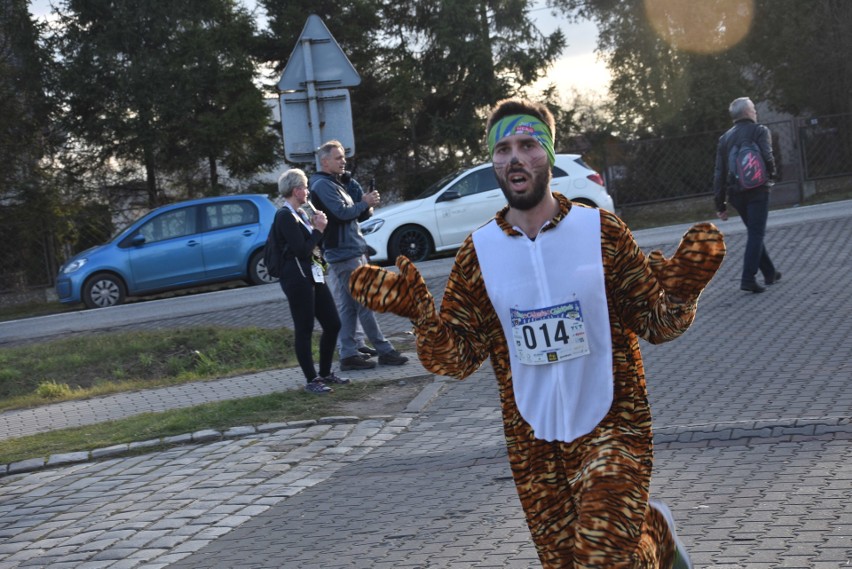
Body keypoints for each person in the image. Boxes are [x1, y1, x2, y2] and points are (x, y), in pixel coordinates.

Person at [349, 98, 726, 568]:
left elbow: (655, 323)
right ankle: (655, 537)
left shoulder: (601, 231)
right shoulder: (478, 253)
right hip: (534, 443)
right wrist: (421, 316)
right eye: (503, 148)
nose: (514, 157)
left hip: (614, 423)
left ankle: (645, 534)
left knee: (601, 558)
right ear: (493, 162)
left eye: (527, 144)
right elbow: (458, 359)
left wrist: (682, 291)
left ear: (547, 153)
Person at [308, 140, 408, 371]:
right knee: (365, 302)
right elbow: (341, 214)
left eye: (343, 157)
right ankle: (384, 351)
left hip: (350, 251)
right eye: (338, 157)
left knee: (348, 306)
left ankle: (348, 354)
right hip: (343, 253)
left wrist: (366, 204)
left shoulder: (335, 183)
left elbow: (355, 216)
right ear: (325, 161)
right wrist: (363, 202)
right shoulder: (322, 185)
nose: (343, 161)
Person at [270, 168, 348, 394]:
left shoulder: (301, 214)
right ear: (296, 190)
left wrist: (318, 228)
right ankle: (311, 380)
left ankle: (325, 373)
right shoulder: (284, 216)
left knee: (333, 323)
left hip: (313, 275)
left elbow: (314, 247)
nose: (307, 191)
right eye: (304, 187)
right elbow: (301, 250)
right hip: (297, 278)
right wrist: (318, 230)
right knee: (304, 328)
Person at [713, 96, 781, 293]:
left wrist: (720, 205)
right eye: (753, 109)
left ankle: (770, 272)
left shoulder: (724, 139)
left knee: (754, 231)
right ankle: (747, 278)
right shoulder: (759, 131)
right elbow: (767, 156)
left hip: (736, 193)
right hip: (757, 189)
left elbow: (719, 173)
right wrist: (772, 175)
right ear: (747, 113)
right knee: (756, 233)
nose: (755, 111)